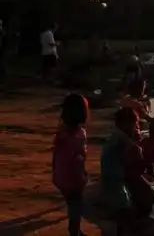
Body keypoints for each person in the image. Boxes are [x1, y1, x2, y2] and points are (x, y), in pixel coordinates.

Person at [52, 93, 90, 236]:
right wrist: (81, 178)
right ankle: (74, 231)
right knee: (76, 205)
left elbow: (58, 158)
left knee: (72, 204)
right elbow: (76, 161)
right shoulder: (77, 135)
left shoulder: (61, 132)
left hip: (61, 176)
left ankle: (76, 230)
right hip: (72, 178)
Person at [101, 107, 142, 235]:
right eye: (134, 124)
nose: (136, 127)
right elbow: (137, 153)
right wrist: (137, 139)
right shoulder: (121, 137)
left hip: (110, 176)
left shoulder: (115, 134)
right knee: (124, 207)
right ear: (125, 123)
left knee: (122, 206)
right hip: (114, 178)